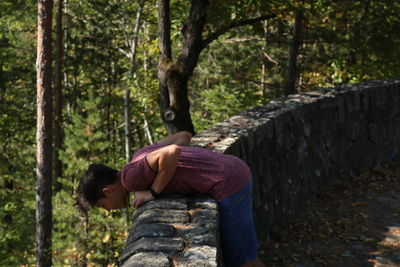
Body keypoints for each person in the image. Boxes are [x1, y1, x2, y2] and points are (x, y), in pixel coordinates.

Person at [78, 131, 266, 267]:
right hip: (233, 170)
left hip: (228, 184)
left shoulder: (130, 177)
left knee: (244, 261)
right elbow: (183, 136)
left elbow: (172, 151)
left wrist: (153, 192)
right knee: (246, 256)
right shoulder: (139, 155)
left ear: (108, 191)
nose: (108, 210)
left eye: (103, 205)